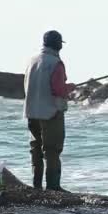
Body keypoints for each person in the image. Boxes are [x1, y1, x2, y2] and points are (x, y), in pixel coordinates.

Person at [23, 30, 75, 191]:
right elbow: (58, 90)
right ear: (58, 44)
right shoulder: (55, 63)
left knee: (36, 150)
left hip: (31, 113)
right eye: (60, 43)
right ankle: (53, 187)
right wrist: (70, 88)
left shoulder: (32, 60)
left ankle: (36, 186)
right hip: (51, 113)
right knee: (52, 150)